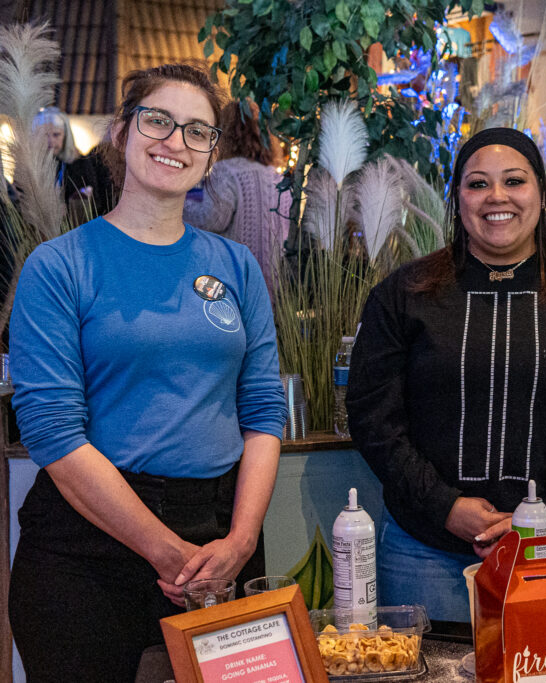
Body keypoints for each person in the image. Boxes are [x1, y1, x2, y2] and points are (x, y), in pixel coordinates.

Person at [8, 63, 287, 682]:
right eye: (158, 121)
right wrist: (172, 555)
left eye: (197, 131)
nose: (175, 142)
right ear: (122, 134)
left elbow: (264, 411)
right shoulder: (59, 267)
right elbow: (54, 433)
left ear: (213, 155)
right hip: (89, 544)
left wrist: (238, 545)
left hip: (218, 532)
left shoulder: (236, 268)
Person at [346, 127, 546, 622]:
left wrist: (544, 513)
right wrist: (443, 505)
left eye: (515, 181)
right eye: (478, 184)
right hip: (425, 551)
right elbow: (374, 418)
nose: (496, 197)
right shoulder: (404, 295)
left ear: (542, 197)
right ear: (457, 199)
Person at [184, 99, 290, 295]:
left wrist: (181, 200)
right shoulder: (277, 177)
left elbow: (211, 219)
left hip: (236, 278)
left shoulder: (227, 171)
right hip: (274, 281)